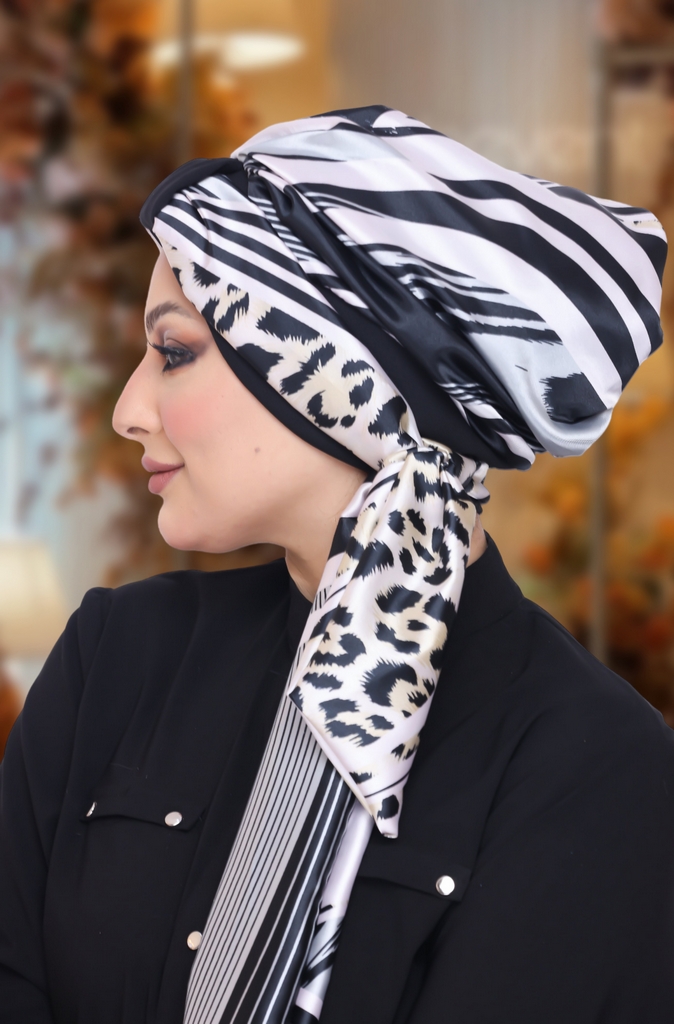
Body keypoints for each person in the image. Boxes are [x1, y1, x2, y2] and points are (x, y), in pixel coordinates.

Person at [1, 105, 673, 1024]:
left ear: (335, 381)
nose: (129, 409)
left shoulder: (600, 768)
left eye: (174, 352)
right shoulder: (117, 657)